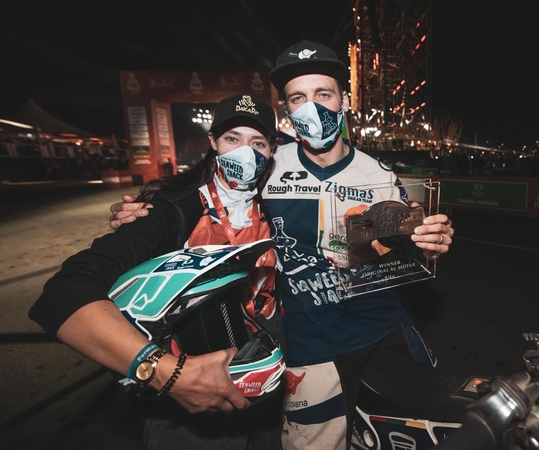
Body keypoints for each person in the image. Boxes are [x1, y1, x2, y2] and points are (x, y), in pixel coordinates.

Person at [109, 40, 455, 450]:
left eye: (323, 94)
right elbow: (210, 192)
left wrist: (427, 241)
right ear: (288, 110)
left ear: (344, 100)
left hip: (385, 330)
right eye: (298, 98)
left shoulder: (378, 174)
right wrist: (144, 210)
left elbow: (399, 249)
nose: (311, 108)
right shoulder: (268, 166)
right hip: (310, 344)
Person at [29, 94, 284, 450]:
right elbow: (64, 292)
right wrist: (165, 373)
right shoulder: (172, 209)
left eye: (257, 142)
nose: (245, 152)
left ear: (272, 149)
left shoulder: (275, 203)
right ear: (212, 142)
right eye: (232, 138)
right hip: (193, 394)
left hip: (263, 376)